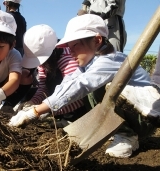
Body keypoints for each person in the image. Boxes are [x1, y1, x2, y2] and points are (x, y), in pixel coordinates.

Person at [9, 14, 160, 158]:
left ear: (97, 40)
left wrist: (36, 112)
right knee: (89, 89)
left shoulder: (110, 60)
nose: (71, 51)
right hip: (133, 114)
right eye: (69, 46)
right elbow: (68, 84)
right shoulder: (87, 66)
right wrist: (38, 109)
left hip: (146, 118)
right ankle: (119, 131)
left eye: (75, 46)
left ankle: (127, 136)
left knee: (100, 86)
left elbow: (81, 85)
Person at [14, 24, 86, 127]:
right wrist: (31, 103)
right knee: (30, 94)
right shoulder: (45, 63)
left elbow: (76, 96)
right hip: (57, 103)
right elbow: (43, 88)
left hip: (76, 106)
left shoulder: (67, 58)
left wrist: (43, 110)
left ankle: (70, 118)